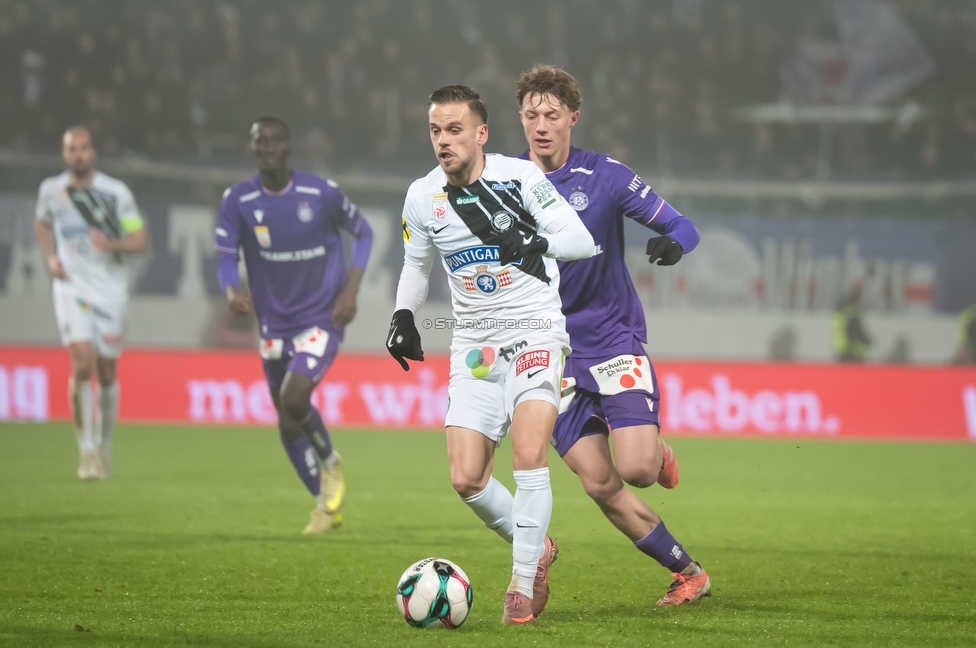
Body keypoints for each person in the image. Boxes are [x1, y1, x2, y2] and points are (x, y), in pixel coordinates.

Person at [386, 85, 595, 624]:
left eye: (454, 130)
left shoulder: (520, 179)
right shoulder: (422, 195)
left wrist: (536, 243)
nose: (443, 140)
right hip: (474, 346)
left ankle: (521, 585)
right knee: (467, 478)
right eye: (435, 130)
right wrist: (404, 315)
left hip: (535, 332)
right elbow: (416, 265)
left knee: (528, 453)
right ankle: (538, 546)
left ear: (481, 133)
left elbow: (580, 240)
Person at [515, 65, 710, 607]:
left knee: (637, 470)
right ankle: (688, 573)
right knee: (599, 483)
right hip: (549, 354)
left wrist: (675, 243)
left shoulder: (605, 175)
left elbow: (684, 226)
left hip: (611, 341)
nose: (541, 126)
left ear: (573, 118)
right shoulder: (505, 182)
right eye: (531, 115)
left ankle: (653, 449)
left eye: (552, 115)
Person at [215, 116, 372, 534]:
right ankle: (325, 504)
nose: (268, 147)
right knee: (286, 422)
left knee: (295, 397)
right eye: (260, 141)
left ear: (287, 147)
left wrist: (351, 292)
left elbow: (364, 233)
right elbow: (226, 256)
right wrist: (231, 292)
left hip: (321, 317)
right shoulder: (238, 200)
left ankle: (330, 462)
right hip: (274, 326)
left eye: (274, 140)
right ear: (252, 148)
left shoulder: (320, 193)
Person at [35, 126, 148, 480]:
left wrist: (111, 244)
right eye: (71, 149)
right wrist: (51, 256)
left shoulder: (116, 193)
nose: (78, 154)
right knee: (82, 363)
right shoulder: (52, 190)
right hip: (72, 289)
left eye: (83, 148)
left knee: (107, 372)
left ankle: (104, 447)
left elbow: (139, 241)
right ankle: (85, 452)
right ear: (64, 153)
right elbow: (42, 222)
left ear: (93, 152)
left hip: (110, 291)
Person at [834, 284, 871, 362]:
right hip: (851, 347)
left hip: (843, 346)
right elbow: (854, 327)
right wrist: (865, 339)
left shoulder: (845, 304)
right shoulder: (852, 307)